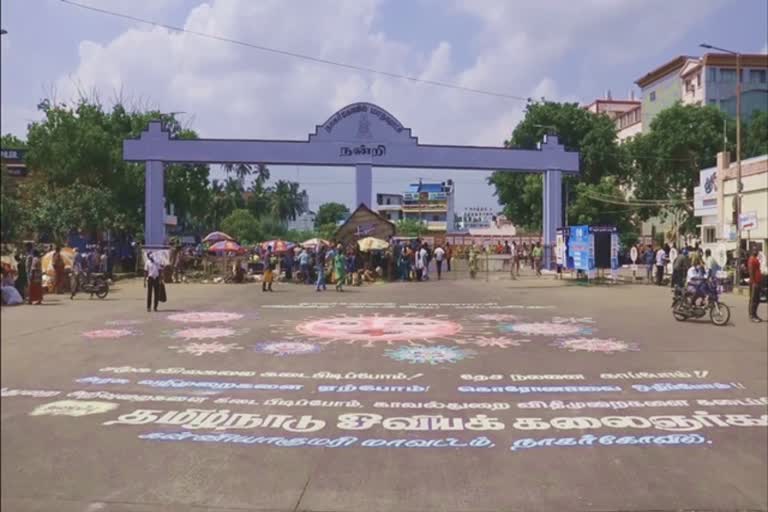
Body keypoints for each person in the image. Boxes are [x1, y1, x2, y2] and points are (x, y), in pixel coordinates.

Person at [747, 248, 763, 322]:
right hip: (754, 283)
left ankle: (755, 314)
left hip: (758, 282)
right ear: (751, 252)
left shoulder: (756, 259)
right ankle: (752, 316)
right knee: (753, 300)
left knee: (757, 300)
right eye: (754, 250)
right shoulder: (751, 259)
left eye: (756, 250)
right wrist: (753, 282)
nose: (756, 252)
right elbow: (751, 271)